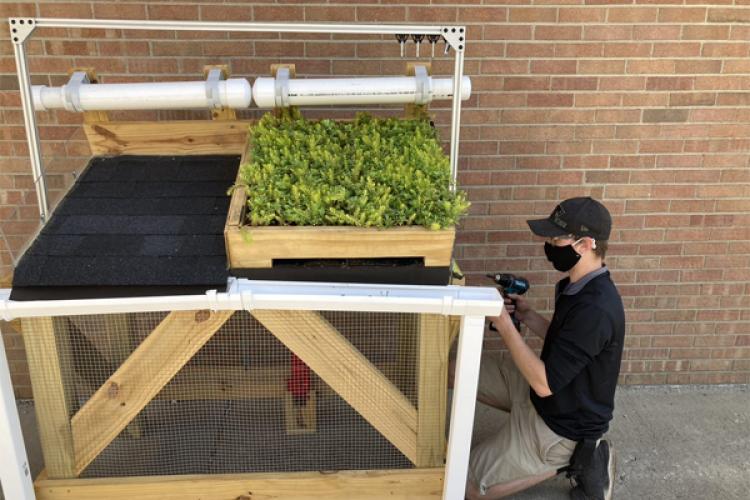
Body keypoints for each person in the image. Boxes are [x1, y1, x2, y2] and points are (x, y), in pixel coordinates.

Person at [466, 197, 625, 500]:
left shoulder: (597, 309)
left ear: (585, 244)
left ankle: (570, 462)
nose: (551, 244)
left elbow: (544, 383)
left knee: (466, 488)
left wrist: (504, 323)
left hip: (561, 423)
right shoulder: (577, 284)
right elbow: (566, 342)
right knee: (455, 369)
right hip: (546, 395)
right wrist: (527, 316)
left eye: (557, 238)